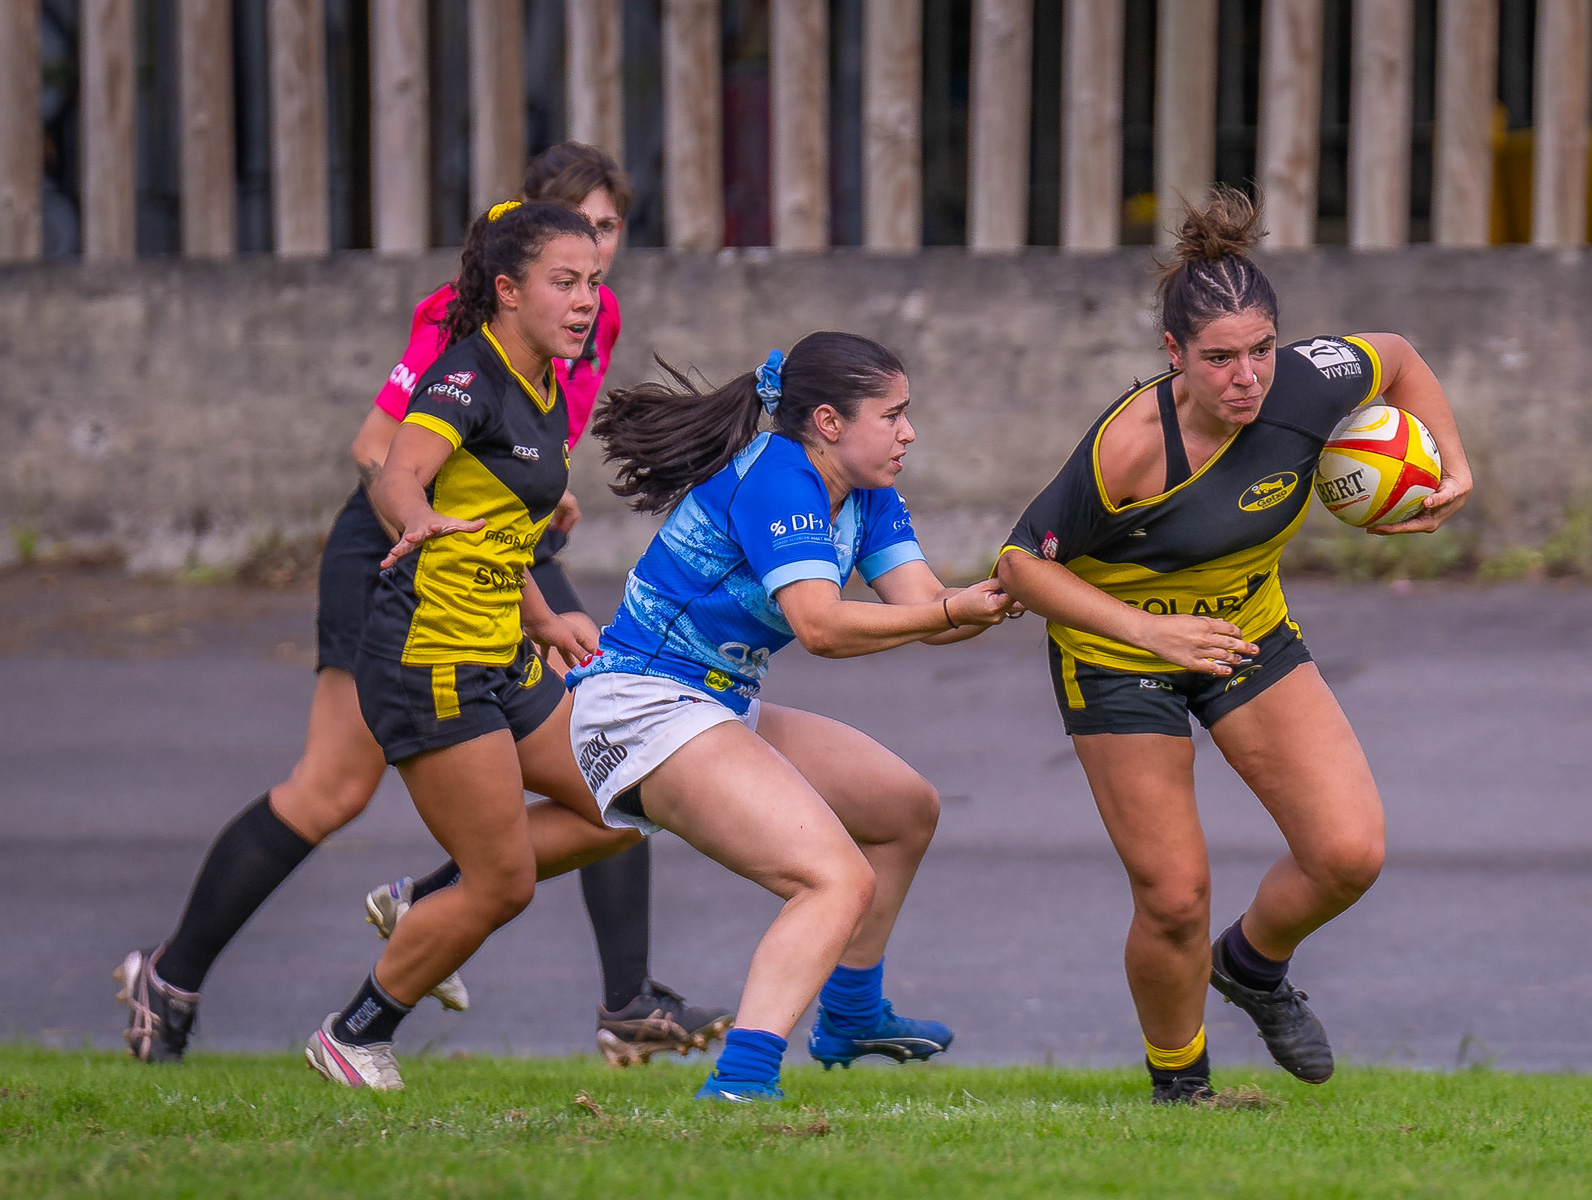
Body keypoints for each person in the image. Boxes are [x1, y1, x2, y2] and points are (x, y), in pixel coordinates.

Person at [114, 142, 726, 1070]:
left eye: (609, 236)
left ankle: (615, 992)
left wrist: (528, 506)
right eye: (578, 238)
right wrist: (428, 520)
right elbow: (380, 451)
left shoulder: (585, 320)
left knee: (613, 744)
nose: (595, 265)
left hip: (498, 555)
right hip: (399, 556)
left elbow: (519, 454)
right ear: (518, 256)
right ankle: (174, 976)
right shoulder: (459, 321)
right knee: (334, 789)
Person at [994, 188, 1472, 1105]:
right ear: (1173, 355)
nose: (1246, 377)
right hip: (1119, 650)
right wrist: (1147, 630)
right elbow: (1020, 566)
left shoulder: (1308, 383)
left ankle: (1251, 966)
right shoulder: (1128, 449)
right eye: (1218, 359)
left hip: (1246, 629)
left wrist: (1453, 464)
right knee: (1174, 896)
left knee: (1348, 854)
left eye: (1260, 351)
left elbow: (1401, 359)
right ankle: (1182, 1085)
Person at [566, 331, 1015, 1103]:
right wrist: (951, 608)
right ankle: (741, 1083)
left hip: (715, 702)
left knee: (904, 809)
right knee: (833, 880)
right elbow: (822, 625)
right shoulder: (780, 477)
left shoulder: (866, 490)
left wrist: (1027, 577)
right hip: (642, 707)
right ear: (831, 423)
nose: (909, 432)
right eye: (894, 415)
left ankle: (849, 1013)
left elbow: (924, 606)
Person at [305, 198, 644, 1090]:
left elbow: (498, 523)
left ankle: (422, 900)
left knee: (624, 802)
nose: (583, 302)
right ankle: (356, 1030)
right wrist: (414, 518)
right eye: (563, 283)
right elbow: (397, 471)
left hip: (503, 649)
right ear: (506, 290)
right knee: (504, 886)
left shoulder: (543, 383)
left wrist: (543, 615)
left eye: (593, 284)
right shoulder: (467, 378)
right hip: (433, 664)